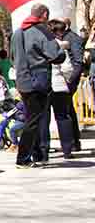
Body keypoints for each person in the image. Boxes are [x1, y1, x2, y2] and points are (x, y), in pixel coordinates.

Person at [11, 3, 64, 168]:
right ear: (45, 15)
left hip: (22, 80)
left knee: (31, 118)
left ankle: (36, 155)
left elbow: (13, 57)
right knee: (35, 120)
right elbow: (55, 55)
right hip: (38, 80)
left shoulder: (17, 32)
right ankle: (24, 158)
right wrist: (62, 49)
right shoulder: (43, 31)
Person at [46, 19, 76, 159]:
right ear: (58, 32)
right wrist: (68, 79)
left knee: (44, 119)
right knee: (63, 117)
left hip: (45, 86)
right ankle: (67, 149)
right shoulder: (61, 46)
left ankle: (44, 149)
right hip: (60, 85)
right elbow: (67, 67)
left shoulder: (42, 44)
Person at [61, 18, 84, 151]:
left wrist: (70, 80)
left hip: (69, 80)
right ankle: (74, 141)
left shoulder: (72, 38)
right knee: (67, 109)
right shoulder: (64, 37)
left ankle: (74, 141)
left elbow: (78, 62)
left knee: (67, 110)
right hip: (64, 79)